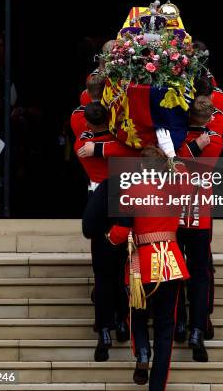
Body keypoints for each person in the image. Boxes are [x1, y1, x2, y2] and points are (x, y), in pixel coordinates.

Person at [106, 144, 190, 390]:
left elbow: (122, 230)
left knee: (138, 314)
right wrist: (172, 156)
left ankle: (142, 351)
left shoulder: (133, 190)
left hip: (142, 263)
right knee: (165, 329)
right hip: (171, 263)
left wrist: (109, 239)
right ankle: (157, 386)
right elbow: (185, 173)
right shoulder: (177, 187)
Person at [74, 101, 130, 358]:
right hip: (119, 199)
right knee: (120, 268)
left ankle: (105, 327)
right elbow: (127, 150)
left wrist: (97, 147)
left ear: (87, 122)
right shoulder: (118, 142)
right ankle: (121, 321)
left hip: (98, 200)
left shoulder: (82, 143)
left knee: (102, 272)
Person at [173, 96, 223, 361]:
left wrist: (190, 148)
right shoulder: (208, 138)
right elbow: (173, 162)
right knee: (197, 273)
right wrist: (195, 146)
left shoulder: (185, 138)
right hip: (195, 212)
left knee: (186, 270)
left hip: (183, 210)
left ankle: (189, 325)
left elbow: (184, 163)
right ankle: (192, 327)